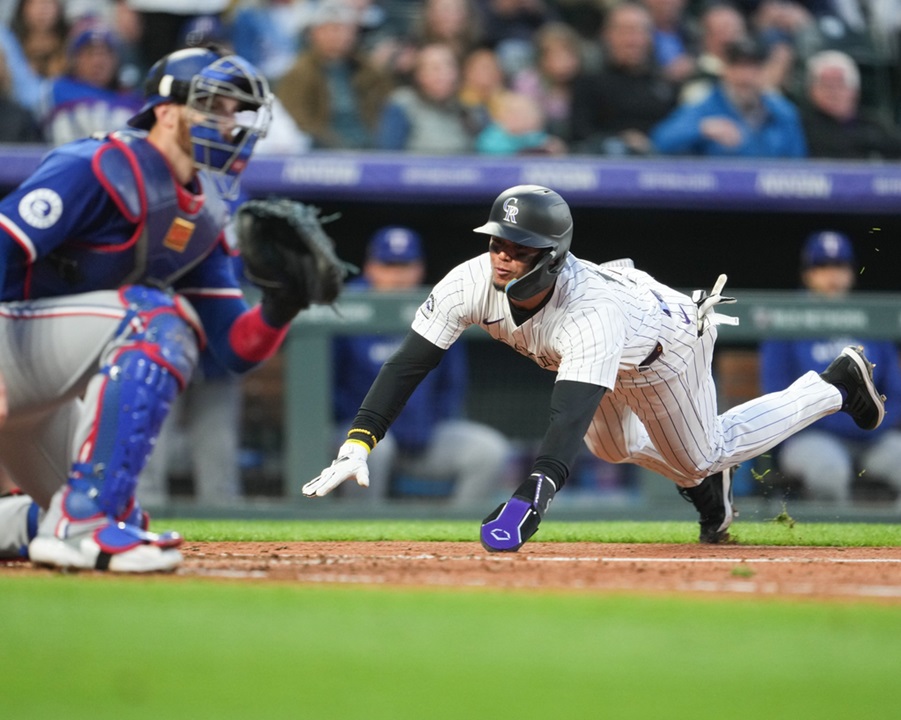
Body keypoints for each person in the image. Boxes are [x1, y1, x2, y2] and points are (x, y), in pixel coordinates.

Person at [303, 184, 887, 552]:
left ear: (551, 255)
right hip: (603, 347)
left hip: (664, 344)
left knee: (700, 455)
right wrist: (360, 440)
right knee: (611, 448)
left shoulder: (589, 312)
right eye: (496, 242)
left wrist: (531, 497)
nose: (502, 256)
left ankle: (832, 384)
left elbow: (569, 412)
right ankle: (702, 482)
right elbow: (409, 363)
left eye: (518, 247)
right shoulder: (471, 280)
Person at [0, 47, 310, 572]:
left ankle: (65, 523)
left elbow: (233, 347)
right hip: (10, 347)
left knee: (119, 515)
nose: (229, 123)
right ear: (166, 111)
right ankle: (82, 528)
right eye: (215, 106)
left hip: (36, 386)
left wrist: (283, 303)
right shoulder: (101, 164)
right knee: (155, 319)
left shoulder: (206, 209)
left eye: (236, 112)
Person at [333, 226, 511, 506]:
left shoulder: (440, 304)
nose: (397, 275)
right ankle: (361, 541)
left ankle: (458, 539)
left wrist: (421, 426)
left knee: (489, 450)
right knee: (373, 450)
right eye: (388, 265)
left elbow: (451, 386)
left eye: (405, 266)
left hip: (421, 438)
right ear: (370, 267)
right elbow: (326, 388)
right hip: (353, 436)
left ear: (419, 269)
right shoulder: (345, 306)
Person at [759, 231, 901, 503]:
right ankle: (836, 547)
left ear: (851, 272)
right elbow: (777, 396)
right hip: (811, 435)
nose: (832, 275)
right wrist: (846, 423)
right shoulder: (786, 318)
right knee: (829, 470)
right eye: (822, 266)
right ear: (807, 274)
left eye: (840, 266)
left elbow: (895, 394)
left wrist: (874, 425)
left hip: (872, 437)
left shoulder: (871, 318)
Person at [650, 36, 807, 157]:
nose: (745, 76)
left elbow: (798, 164)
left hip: (772, 195)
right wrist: (702, 128)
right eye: (737, 66)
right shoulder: (706, 106)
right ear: (725, 70)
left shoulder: (782, 112)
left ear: (763, 71)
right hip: (719, 195)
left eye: (753, 67)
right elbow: (660, 141)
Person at [275, 0, 393, 150]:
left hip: (371, 146)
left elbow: (388, 106)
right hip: (322, 151)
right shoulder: (300, 72)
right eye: (333, 29)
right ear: (315, 33)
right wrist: (331, 144)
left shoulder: (369, 70)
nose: (341, 36)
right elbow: (297, 118)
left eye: (347, 29)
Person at [569, 0, 679, 156]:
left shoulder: (667, 84)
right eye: (625, 31)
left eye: (640, 31)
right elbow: (579, 134)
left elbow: (677, 132)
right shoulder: (588, 83)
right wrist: (619, 139)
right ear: (607, 35)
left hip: (662, 169)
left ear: (650, 38)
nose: (633, 41)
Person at [38, 19, 143, 146]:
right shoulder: (56, 90)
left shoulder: (134, 100)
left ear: (116, 60)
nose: (98, 62)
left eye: (104, 54)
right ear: (74, 60)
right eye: (90, 54)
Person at [800, 49, 901, 160]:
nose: (833, 92)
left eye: (840, 84)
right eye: (826, 85)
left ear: (855, 90)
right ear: (811, 91)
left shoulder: (874, 127)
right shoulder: (800, 126)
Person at [376, 42, 475, 153]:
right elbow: (387, 156)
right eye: (435, 68)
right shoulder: (403, 104)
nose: (444, 75)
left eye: (449, 67)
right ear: (419, 74)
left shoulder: (465, 108)